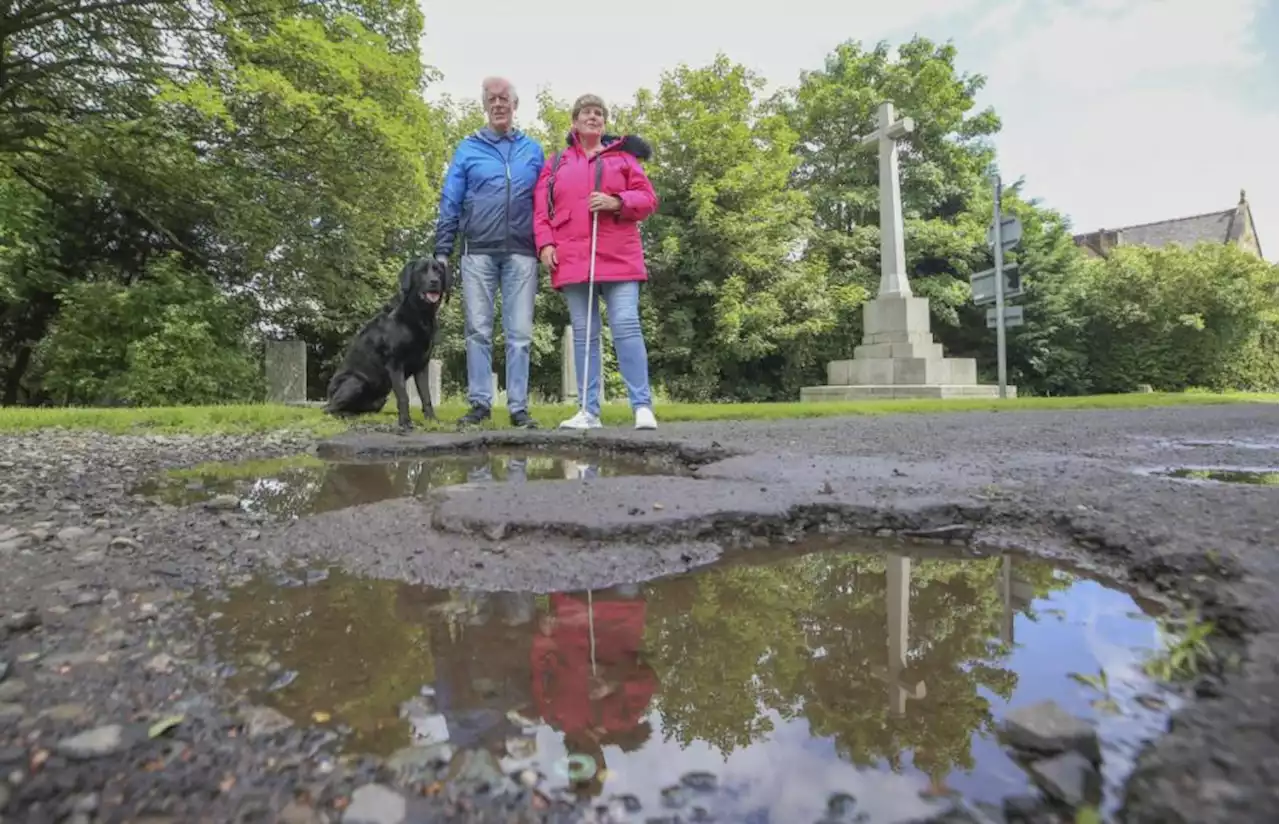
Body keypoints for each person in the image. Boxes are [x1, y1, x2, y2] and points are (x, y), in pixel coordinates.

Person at [533, 94, 659, 430]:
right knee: (584, 335)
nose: (594, 117)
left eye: (599, 113)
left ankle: (642, 406)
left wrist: (617, 201)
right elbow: (541, 210)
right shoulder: (556, 162)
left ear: (604, 123)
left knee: (626, 325)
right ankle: (588, 411)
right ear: (574, 122)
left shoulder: (624, 159)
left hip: (619, 255)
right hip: (573, 258)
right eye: (587, 112)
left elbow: (648, 199)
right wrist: (545, 244)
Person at [434, 77, 546, 430]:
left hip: (522, 253)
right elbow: (450, 200)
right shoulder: (467, 149)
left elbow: (545, 204)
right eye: (492, 99)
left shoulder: (533, 150)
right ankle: (479, 404)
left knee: (520, 334)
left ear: (515, 105)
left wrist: (548, 245)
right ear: (485, 105)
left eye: (504, 99)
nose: (498, 104)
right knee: (477, 331)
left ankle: (518, 408)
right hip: (477, 251)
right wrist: (442, 251)